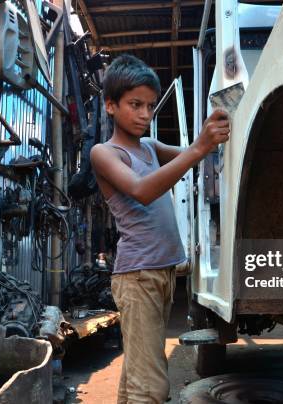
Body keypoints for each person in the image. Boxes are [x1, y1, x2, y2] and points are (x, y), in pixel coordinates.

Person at [90, 54, 230, 404]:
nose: (144, 115)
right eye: (134, 104)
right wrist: (201, 146)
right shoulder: (105, 154)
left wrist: (213, 135)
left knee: (139, 373)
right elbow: (143, 190)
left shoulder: (150, 147)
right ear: (110, 105)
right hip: (138, 275)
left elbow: (195, 153)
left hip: (160, 271)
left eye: (150, 106)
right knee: (150, 387)